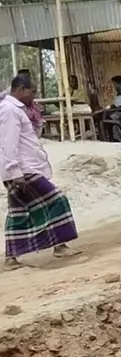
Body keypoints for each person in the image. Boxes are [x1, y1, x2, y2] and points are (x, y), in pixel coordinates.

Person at [0, 75, 79, 268]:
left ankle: (12, 257)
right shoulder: (9, 110)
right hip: (22, 170)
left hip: (25, 168)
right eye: (32, 91)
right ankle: (59, 245)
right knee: (57, 200)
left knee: (19, 212)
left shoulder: (19, 110)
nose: (34, 96)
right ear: (20, 89)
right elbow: (7, 143)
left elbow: (30, 137)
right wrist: (15, 171)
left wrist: (38, 121)